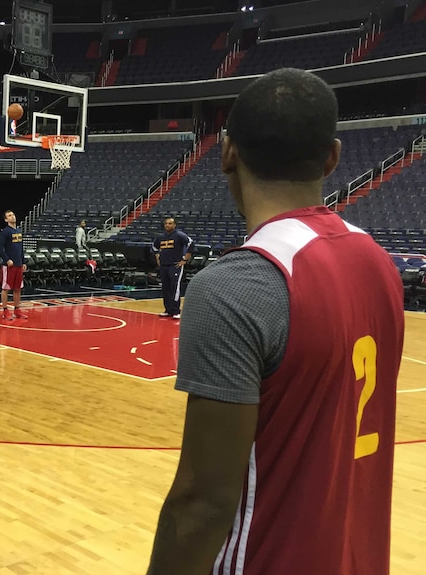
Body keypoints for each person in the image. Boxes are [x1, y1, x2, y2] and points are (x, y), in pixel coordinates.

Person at [146, 68, 404, 575]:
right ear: (332, 156)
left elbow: (203, 502)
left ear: (227, 154)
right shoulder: (379, 262)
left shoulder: (235, 287)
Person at [152, 217, 195, 319]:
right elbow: (154, 247)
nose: (167, 225)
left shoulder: (179, 235)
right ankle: (168, 310)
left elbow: (191, 244)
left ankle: (176, 310)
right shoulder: (161, 237)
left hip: (175, 265)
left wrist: (184, 260)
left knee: (175, 287)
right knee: (165, 288)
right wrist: (158, 258)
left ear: (174, 225)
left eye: (170, 223)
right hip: (164, 266)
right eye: (166, 223)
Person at [0, 210, 27, 320]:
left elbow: (21, 248)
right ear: (6, 220)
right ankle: (5, 311)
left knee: (18, 288)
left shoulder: (18, 230)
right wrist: (7, 259)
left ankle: (17, 310)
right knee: (6, 288)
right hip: (8, 266)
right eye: (9, 216)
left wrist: (23, 261)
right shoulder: (6, 232)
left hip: (18, 264)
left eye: (13, 214)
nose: (12, 216)